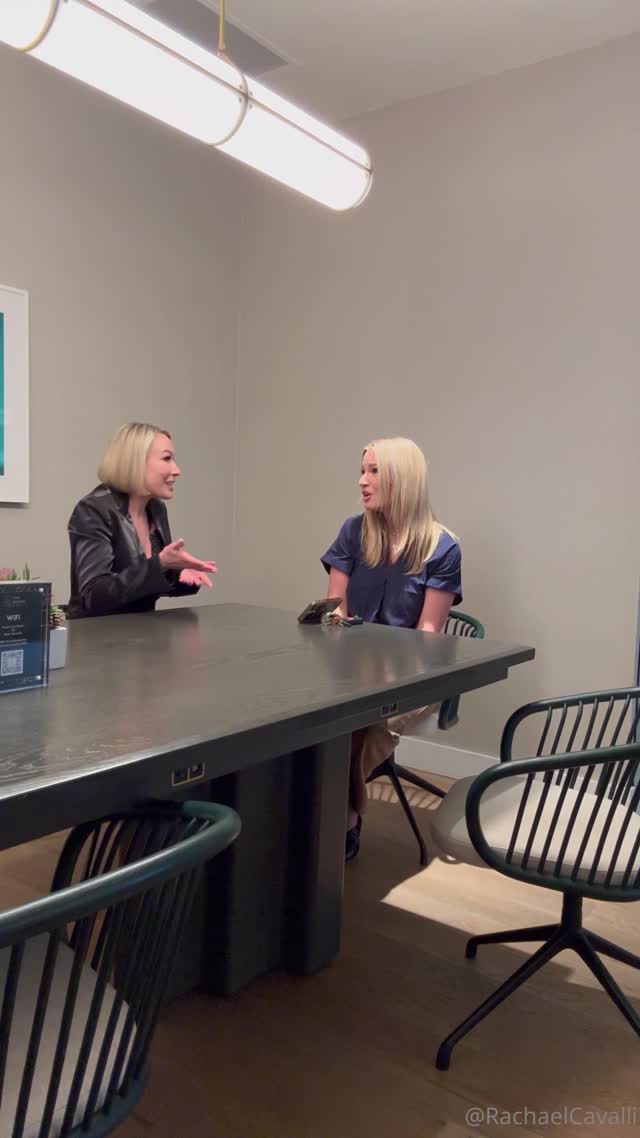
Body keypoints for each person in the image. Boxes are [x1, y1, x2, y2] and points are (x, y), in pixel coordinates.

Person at [321, 437, 462, 860]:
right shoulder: (353, 531)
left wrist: (382, 673)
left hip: (414, 675)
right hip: (351, 667)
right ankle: (318, 810)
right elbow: (335, 609)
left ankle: (342, 819)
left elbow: (428, 634)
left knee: (358, 727)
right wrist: (340, 636)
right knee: (308, 716)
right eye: (362, 470)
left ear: (403, 479)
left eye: (374, 471)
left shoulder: (442, 547)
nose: (362, 481)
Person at [67, 422, 216, 618]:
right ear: (136, 462)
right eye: (167, 458)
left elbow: (141, 583)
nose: (176, 470)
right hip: (96, 632)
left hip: (139, 631)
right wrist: (160, 565)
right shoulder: (93, 510)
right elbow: (94, 596)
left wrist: (177, 575)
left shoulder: (155, 508)